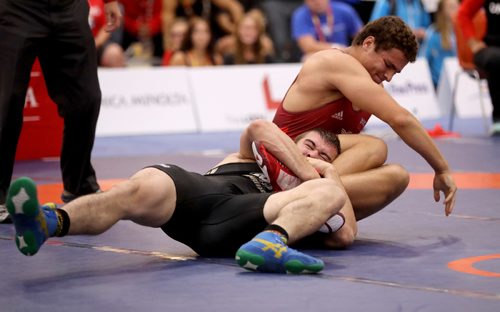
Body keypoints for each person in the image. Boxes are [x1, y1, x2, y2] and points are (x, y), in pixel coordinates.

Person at [5, 120, 348, 274]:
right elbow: (259, 127)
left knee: (330, 192)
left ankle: (272, 242)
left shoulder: (302, 194)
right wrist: (308, 167)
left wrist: (330, 176)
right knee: (132, 190)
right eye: (309, 145)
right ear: (293, 143)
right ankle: (48, 222)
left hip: (241, 220)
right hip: (193, 195)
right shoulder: (252, 156)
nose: (315, 155)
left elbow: (345, 234)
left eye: (324, 156)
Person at [271, 16, 457, 235]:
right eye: (388, 65)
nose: (388, 77)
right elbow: (401, 120)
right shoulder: (334, 62)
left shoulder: (368, 85)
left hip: (314, 171)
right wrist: (441, 168)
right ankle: (300, 197)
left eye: (395, 72)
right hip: (281, 166)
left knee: (398, 176)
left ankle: (313, 218)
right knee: (375, 147)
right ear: (368, 43)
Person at [0, 0, 122, 223]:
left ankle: (80, 187)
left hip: (68, 8)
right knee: (6, 102)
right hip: (16, 9)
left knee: (86, 99)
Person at [456, 0, 500, 136]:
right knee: (496, 59)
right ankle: (498, 118)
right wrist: (472, 41)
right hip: (489, 48)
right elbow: (463, 14)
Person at [291, 0, 364, 60]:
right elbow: (308, 46)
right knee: (307, 58)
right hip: (318, 55)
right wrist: (336, 47)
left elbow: (361, 38)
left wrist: (353, 51)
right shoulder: (300, 15)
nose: (317, 2)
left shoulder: (345, 10)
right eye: (312, 0)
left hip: (344, 55)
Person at [162, 0, 244, 44]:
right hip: (183, 38)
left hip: (207, 37)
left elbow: (234, 7)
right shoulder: (172, 2)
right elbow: (167, 19)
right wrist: (168, 45)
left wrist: (236, 33)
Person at [419, 0, 458, 88]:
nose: (457, 10)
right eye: (452, 7)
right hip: (438, 85)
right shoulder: (434, 33)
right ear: (443, 10)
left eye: (457, 7)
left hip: (456, 82)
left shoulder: (459, 32)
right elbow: (423, 59)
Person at [89, 0, 126, 67]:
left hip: (99, 45)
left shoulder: (104, 2)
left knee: (114, 52)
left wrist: (95, 43)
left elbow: (108, 24)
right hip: (75, 42)